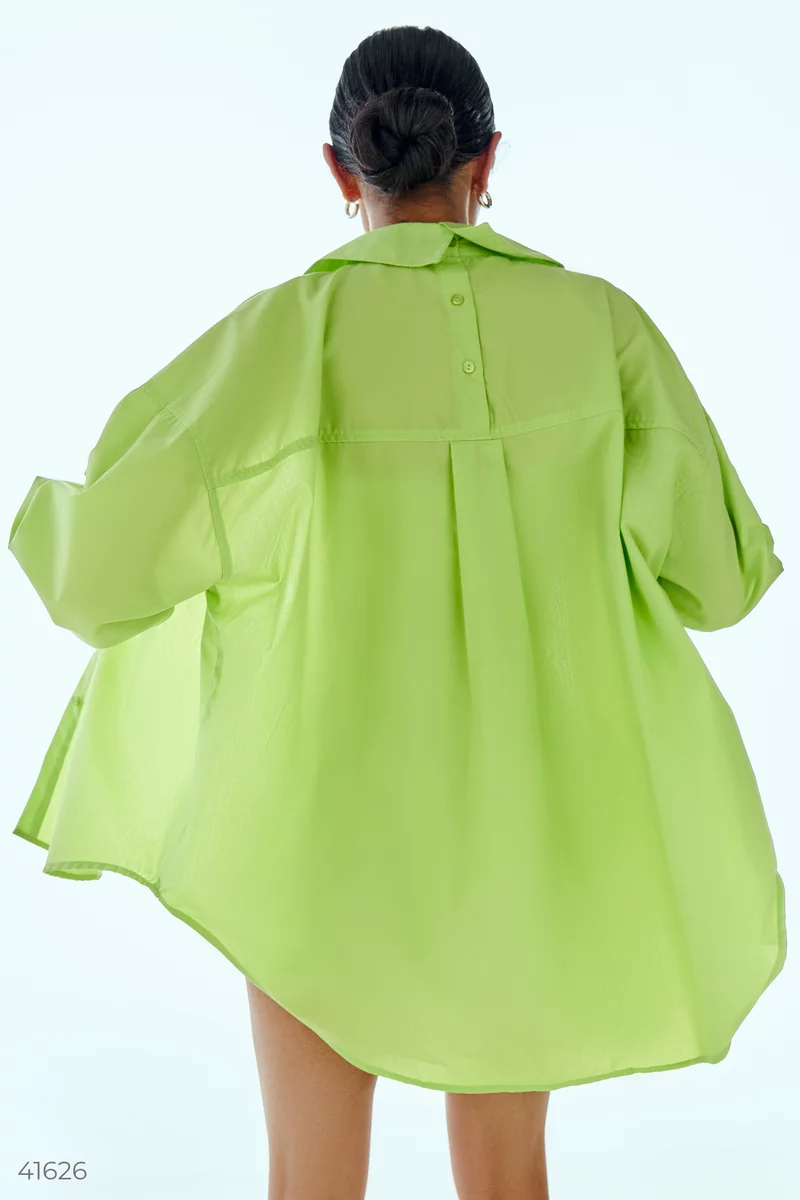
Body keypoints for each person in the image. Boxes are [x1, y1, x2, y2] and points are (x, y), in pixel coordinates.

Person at [8, 23, 786, 1200]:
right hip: (521, 821)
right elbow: (718, 583)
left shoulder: (278, 337)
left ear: (340, 168)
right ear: (488, 161)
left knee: (310, 1180)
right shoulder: (601, 328)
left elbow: (103, 580)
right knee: (508, 1179)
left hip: (315, 824)